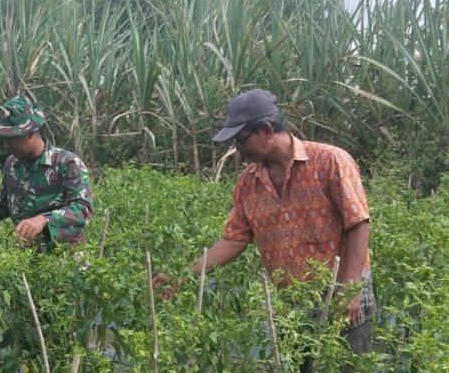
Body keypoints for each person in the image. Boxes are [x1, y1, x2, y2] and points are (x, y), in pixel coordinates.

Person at [152, 89, 376, 372]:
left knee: (344, 366)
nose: (238, 149)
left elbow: (357, 223)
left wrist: (350, 289)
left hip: (341, 294)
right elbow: (233, 240)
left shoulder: (331, 161)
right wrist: (182, 276)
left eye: (240, 140)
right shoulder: (248, 182)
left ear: (267, 130)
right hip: (292, 305)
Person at [0, 94, 94, 252]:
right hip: (28, 260)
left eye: (12, 138)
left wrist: (44, 220)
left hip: (66, 261)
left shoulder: (66, 163)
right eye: (4, 138)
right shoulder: (12, 164)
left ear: (30, 133)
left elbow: (83, 210)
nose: (7, 144)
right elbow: (4, 203)